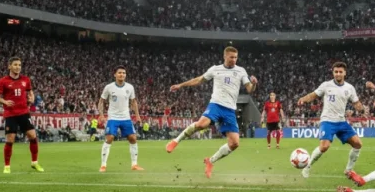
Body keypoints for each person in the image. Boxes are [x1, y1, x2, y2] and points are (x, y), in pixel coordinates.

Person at [166, 46, 258, 178]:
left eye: (236, 57)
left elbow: (249, 89)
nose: (234, 60)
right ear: (224, 56)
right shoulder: (215, 69)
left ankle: (210, 161)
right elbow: (198, 80)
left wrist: (253, 83)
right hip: (216, 104)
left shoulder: (241, 71)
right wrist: (181, 85)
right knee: (201, 124)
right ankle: (175, 141)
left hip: (230, 110)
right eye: (231, 57)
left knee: (235, 143)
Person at [297, 62, 366, 179]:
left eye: (340, 72)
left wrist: (362, 110)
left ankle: (349, 170)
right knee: (324, 147)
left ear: (345, 73)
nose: (338, 74)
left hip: (341, 122)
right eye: (336, 72)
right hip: (327, 121)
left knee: (358, 144)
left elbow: (356, 103)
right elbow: (314, 95)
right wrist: (303, 99)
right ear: (333, 72)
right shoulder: (326, 85)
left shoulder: (349, 88)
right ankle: (307, 167)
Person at [0, 57, 43, 174]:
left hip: (24, 112)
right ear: (9, 66)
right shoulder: (3, 81)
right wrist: (5, 102)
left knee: (32, 136)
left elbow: (30, 92)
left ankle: (34, 162)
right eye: (15, 65)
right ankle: (7, 166)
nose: (18, 67)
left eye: (19, 65)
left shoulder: (26, 80)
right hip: (11, 114)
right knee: (10, 140)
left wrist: (32, 97)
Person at [98, 66, 144, 172]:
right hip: (113, 117)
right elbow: (101, 101)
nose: (122, 74)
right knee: (109, 138)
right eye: (119, 73)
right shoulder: (109, 87)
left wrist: (137, 115)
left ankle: (134, 165)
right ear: (115, 74)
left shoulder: (130, 87)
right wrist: (101, 115)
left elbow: (134, 102)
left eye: (124, 73)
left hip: (126, 117)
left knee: (133, 138)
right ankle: (103, 165)